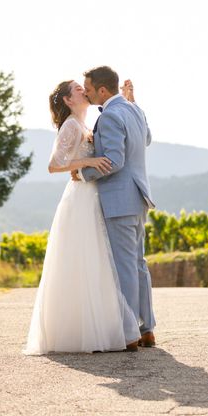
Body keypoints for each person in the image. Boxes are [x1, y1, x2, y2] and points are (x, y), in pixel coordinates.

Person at [23, 79, 141, 355]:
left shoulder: (86, 124)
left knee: (98, 261)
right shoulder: (71, 126)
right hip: (80, 199)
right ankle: (83, 331)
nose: (83, 90)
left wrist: (128, 101)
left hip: (93, 196)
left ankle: (104, 327)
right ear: (68, 100)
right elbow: (54, 165)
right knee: (84, 259)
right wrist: (87, 162)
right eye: (77, 88)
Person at [73, 66, 157, 351]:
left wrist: (83, 174)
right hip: (138, 197)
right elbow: (145, 140)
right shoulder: (134, 110)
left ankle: (128, 333)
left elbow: (114, 160)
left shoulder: (109, 115)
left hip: (119, 200)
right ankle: (146, 329)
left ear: (103, 91)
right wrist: (132, 99)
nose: (85, 92)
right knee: (138, 265)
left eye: (88, 88)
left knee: (124, 268)